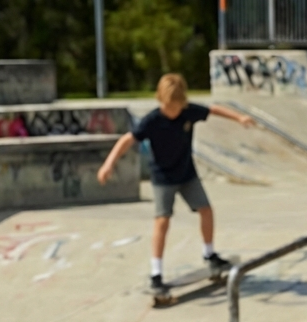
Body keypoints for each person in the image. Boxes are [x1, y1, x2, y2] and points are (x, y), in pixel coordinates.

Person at [97, 73, 255, 298]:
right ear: (161, 101)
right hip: (163, 178)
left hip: (187, 174)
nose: (174, 111)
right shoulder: (152, 120)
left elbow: (213, 110)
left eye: (177, 107)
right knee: (162, 221)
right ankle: (156, 273)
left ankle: (209, 254)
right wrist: (108, 164)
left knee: (206, 211)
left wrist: (239, 118)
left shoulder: (189, 111)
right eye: (169, 107)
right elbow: (127, 139)